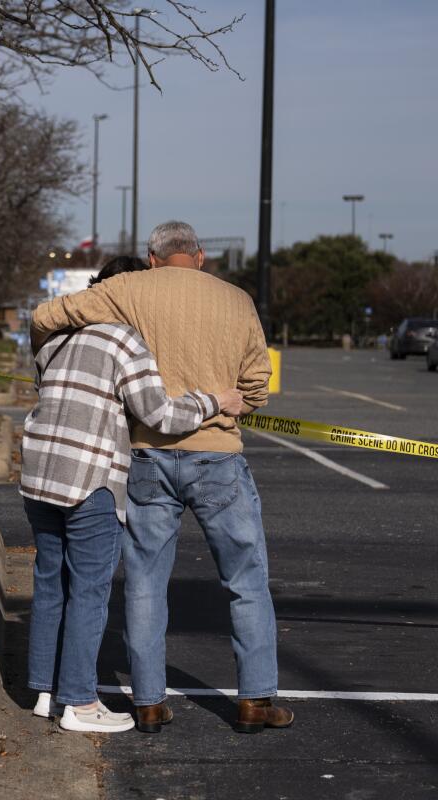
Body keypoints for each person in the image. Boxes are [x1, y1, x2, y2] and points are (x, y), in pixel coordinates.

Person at [29, 221, 293, 734]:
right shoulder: (237, 300)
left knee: (146, 582)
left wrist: (45, 364)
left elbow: (46, 315)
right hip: (218, 456)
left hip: (146, 454)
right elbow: (257, 389)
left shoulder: (128, 290)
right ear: (199, 257)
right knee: (246, 580)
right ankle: (255, 700)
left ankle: (148, 701)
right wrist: (226, 400)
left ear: (152, 258)